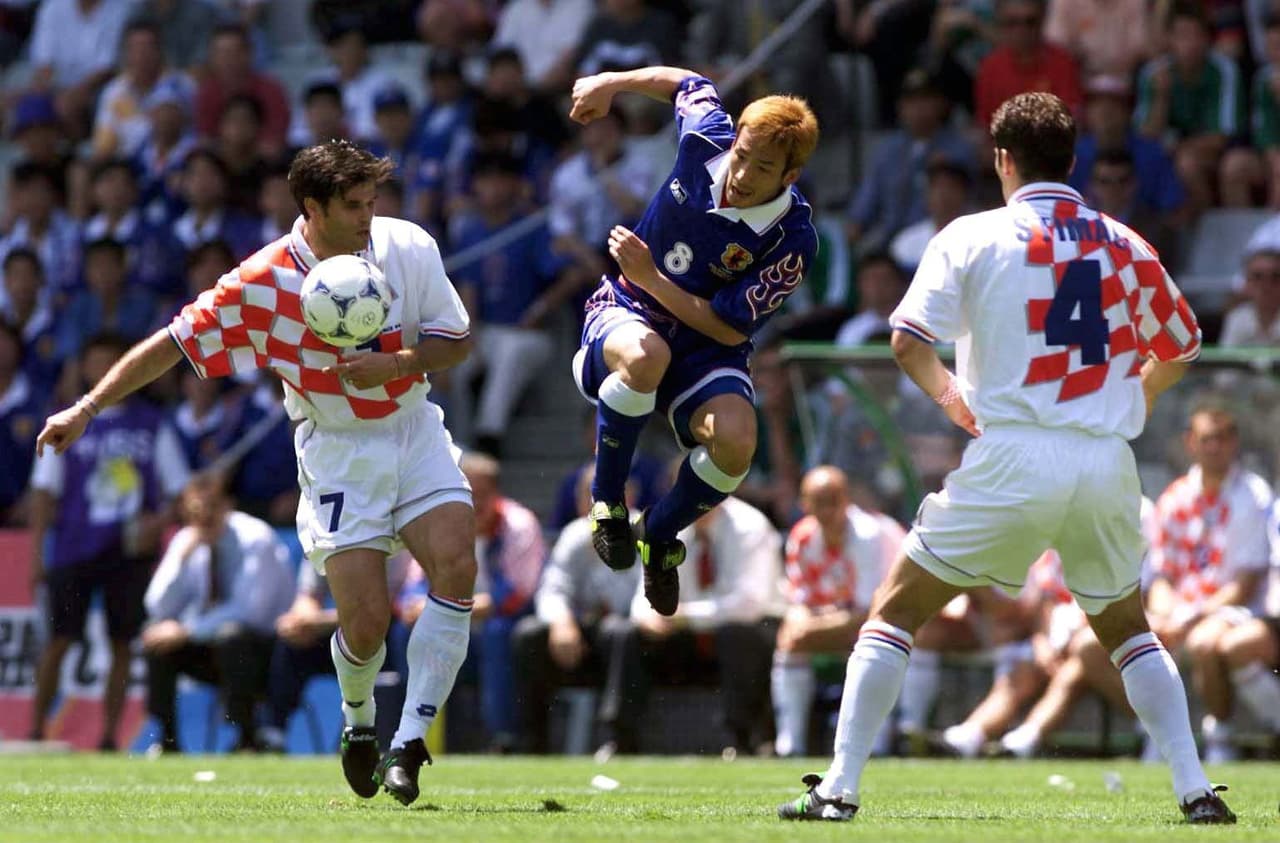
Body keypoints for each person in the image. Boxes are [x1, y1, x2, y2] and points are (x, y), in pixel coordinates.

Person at [776, 92, 1232, 824]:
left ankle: (837, 788)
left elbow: (906, 340)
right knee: (1127, 628)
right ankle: (1194, 788)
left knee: (894, 611)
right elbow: (1182, 344)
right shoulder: (1125, 241)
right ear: (1073, 162)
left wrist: (952, 397)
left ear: (1002, 160)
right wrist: (1134, 400)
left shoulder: (972, 234)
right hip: (1104, 458)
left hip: (1015, 448)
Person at [36, 140, 477, 807]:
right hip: (335, 447)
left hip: (412, 426)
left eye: (372, 201)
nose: (368, 216)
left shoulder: (407, 246)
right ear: (312, 208)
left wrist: (401, 363)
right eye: (353, 205)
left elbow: (460, 341)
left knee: (456, 563)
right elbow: (173, 344)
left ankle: (409, 741)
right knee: (365, 623)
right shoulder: (262, 284)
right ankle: (358, 722)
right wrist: (89, 406)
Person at [567, 65, 819, 617]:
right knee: (645, 354)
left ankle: (657, 536)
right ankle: (608, 503)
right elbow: (685, 81)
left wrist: (653, 273)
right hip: (629, 309)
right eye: (744, 154)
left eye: (764, 167)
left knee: (736, 443)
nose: (744, 172)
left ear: (791, 175)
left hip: (708, 342)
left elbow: (728, 327)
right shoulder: (709, 138)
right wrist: (611, 83)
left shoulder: (793, 240)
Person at [28, 333, 190, 750]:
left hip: (131, 552)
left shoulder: (153, 425)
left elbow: (180, 492)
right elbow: (44, 492)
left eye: (111, 363)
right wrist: (35, 555)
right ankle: (32, 731)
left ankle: (108, 737)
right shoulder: (66, 419)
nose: (103, 371)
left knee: (123, 643)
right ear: (83, 369)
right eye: (95, 362)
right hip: (74, 547)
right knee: (59, 639)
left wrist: (160, 521)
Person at [141, 473, 294, 752]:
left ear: (228, 505)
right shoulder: (187, 540)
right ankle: (167, 740)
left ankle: (247, 737)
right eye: (195, 509)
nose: (205, 516)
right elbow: (157, 606)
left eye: (212, 506)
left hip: (267, 653)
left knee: (232, 637)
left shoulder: (255, 539)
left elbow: (250, 611)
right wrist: (180, 559)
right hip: (212, 647)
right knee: (156, 639)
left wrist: (186, 630)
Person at [772, 466, 901, 757]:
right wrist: (799, 625)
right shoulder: (802, 537)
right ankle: (790, 745)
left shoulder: (868, 534)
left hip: (886, 619)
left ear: (847, 500)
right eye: (819, 502)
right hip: (840, 619)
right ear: (804, 504)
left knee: (874, 641)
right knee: (789, 639)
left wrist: (811, 627)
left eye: (834, 500)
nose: (827, 510)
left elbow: (871, 610)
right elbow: (799, 601)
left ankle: (879, 744)